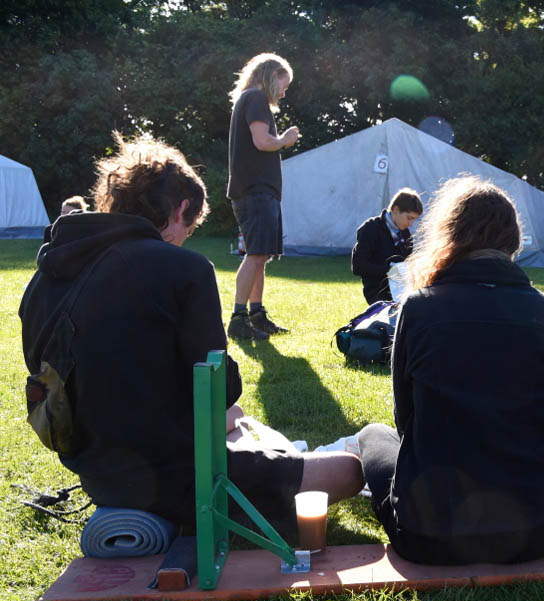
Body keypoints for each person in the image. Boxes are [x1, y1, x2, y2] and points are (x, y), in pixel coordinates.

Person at [19, 134, 363, 536]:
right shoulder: (183, 269)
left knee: (235, 419)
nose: (186, 238)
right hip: (173, 476)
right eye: (190, 227)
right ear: (181, 208)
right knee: (348, 470)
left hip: (94, 469)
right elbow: (220, 390)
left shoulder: (44, 277)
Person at [356, 176, 544, 565]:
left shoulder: (419, 309)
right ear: (514, 243)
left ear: (450, 237)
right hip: (531, 534)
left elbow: (405, 423)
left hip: (426, 537)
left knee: (373, 435)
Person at [226, 52, 300, 340]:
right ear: (272, 76)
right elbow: (262, 141)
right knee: (256, 254)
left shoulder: (250, 99)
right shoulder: (256, 98)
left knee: (261, 255)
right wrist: (285, 140)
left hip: (257, 191)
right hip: (255, 190)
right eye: (284, 84)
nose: (283, 92)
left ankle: (256, 315)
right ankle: (238, 318)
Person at [350, 188, 422, 304]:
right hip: (378, 292)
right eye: (409, 218)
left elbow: (407, 263)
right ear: (396, 209)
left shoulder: (406, 234)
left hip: (401, 290)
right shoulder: (371, 228)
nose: (411, 224)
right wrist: (389, 271)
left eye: (414, 219)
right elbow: (358, 266)